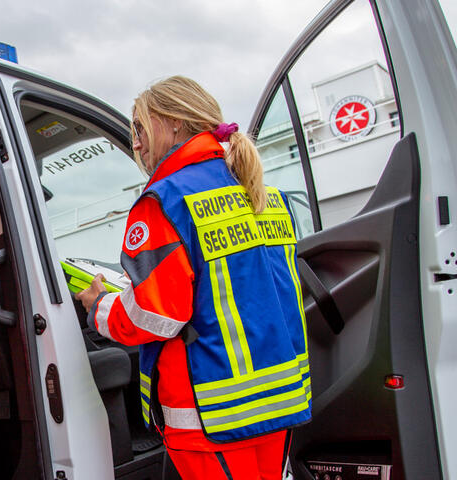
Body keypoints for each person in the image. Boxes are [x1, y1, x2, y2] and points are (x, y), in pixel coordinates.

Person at [76, 76, 310, 479]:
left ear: (174, 124)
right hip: (279, 401)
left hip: (210, 413)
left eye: (139, 127)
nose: (137, 142)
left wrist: (99, 307)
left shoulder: (164, 201)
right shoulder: (266, 196)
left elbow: (154, 316)